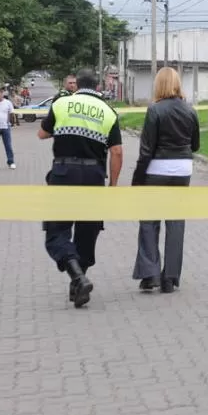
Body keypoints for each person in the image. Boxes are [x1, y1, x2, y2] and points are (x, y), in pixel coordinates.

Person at [38, 69, 123, 308]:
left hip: (64, 173)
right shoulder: (108, 111)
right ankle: (79, 281)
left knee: (57, 229)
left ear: (76, 86)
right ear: (97, 87)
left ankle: (76, 275)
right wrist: (113, 186)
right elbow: (116, 151)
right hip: (93, 176)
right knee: (88, 228)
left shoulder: (63, 104)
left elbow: (42, 133)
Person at [131, 68, 200, 294]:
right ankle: (170, 277)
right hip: (182, 169)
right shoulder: (191, 110)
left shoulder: (154, 109)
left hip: (157, 168)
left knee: (149, 220)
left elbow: (146, 149)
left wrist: (137, 178)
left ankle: (150, 274)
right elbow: (196, 145)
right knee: (176, 221)